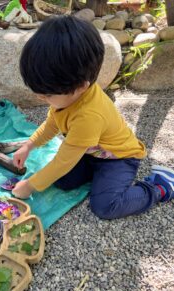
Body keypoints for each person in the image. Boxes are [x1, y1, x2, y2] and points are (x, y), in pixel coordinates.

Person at [12, 15, 174, 219]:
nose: (40, 97)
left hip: (119, 158)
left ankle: (159, 187)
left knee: (105, 206)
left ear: (81, 87)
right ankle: (97, 176)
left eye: (47, 94)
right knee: (62, 181)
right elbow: (52, 124)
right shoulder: (68, 95)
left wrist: (30, 186)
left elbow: (64, 160)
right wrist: (29, 145)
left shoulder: (89, 116)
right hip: (92, 152)